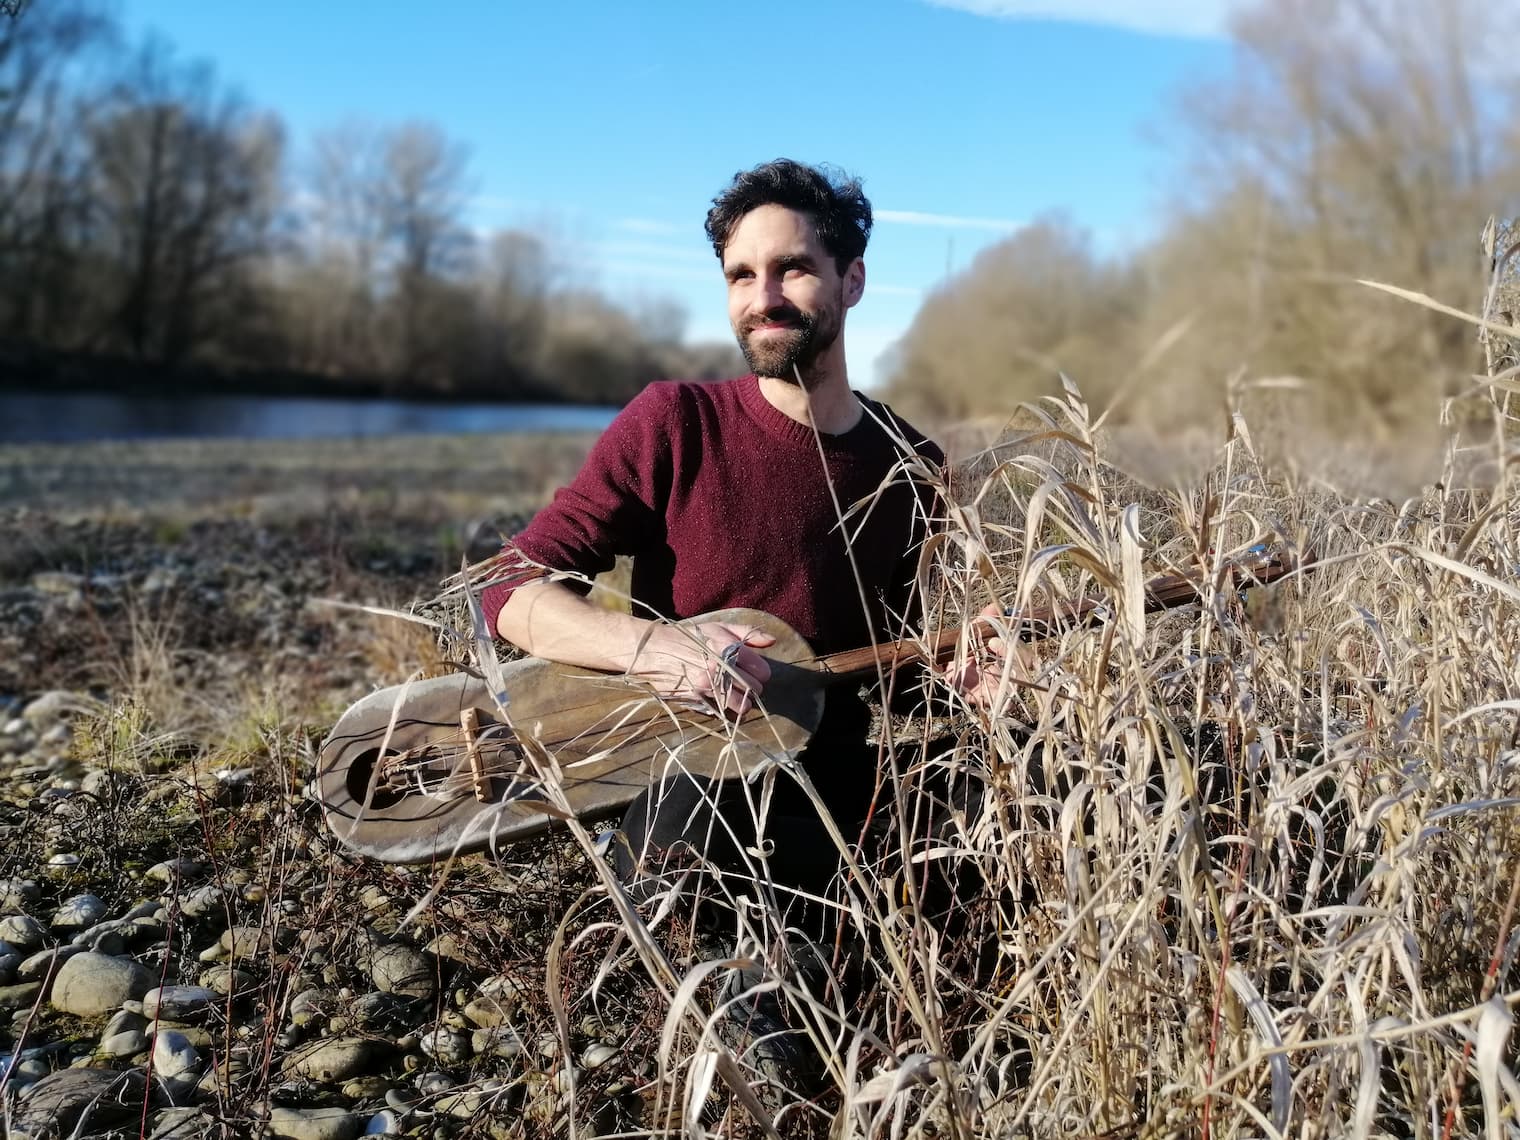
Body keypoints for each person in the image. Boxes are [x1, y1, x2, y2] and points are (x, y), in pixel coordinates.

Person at [478, 159, 1000, 1021]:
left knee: (986, 819)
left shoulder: (912, 465)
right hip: (694, 781)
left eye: (792, 267)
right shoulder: (674, 423)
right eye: (740, 276)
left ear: (852, 279)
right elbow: (510, 587)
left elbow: (888, 661)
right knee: (720, 894)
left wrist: (966, 672)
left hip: (840, 786)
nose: (764, 296)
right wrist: (654, 648)